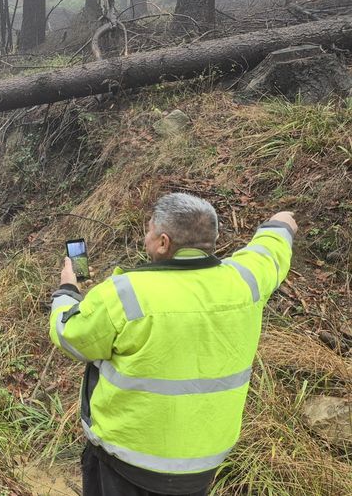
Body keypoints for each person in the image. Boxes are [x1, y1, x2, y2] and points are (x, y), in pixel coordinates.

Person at [48, 193, 297, 496]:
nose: (145, 238)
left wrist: (66, 291)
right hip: (202, 467)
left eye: (149, 231)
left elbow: (71, 335)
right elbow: (270, 249)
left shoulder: (125, 293)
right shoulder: (245, 281)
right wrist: (281, 222)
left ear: (164, 242)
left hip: (126, 464)